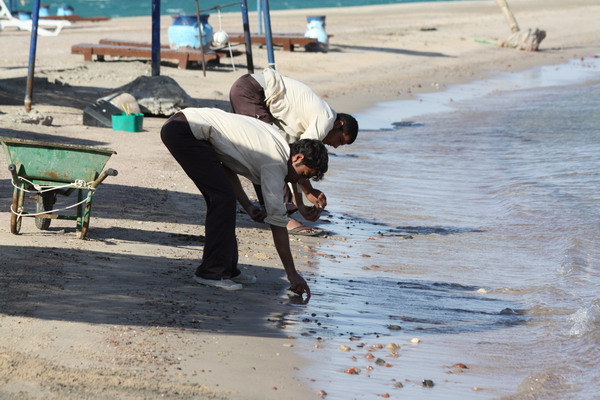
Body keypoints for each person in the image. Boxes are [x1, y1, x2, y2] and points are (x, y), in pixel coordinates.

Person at [160, 107, 328, 297]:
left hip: (189, 126)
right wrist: (292, 274)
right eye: (303, 175)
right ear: (297, 157)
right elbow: (278, 224)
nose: (299, 182)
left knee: (224, 198)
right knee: (222, 200)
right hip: (184, 131)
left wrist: (248, 206)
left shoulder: (279, 142)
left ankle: (228, 269)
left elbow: (225, 165)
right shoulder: (275, 162)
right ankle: (211, 272)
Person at [229, 68, 359, 235]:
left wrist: (301, 205)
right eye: (340, 140)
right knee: (270, 153)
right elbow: (296, 162)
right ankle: (281, 216)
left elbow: (293, 169)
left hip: (250, 91)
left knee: (271, 155)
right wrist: (309, 192)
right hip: (251, 91)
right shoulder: (325, 120)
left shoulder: (309, 124)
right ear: (338, 125)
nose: (335, 146)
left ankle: (276, 212)